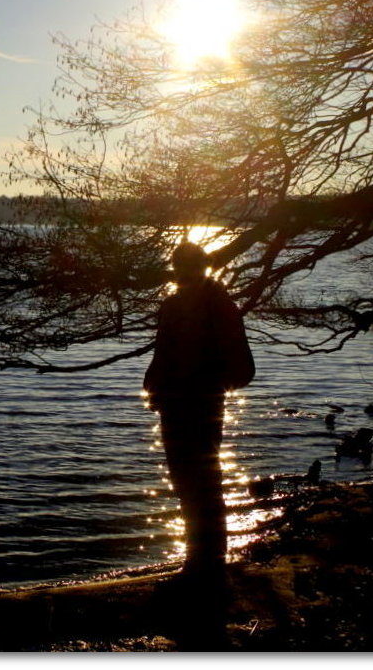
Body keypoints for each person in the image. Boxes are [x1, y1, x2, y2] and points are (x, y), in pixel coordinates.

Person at [144, 242, 254, 603]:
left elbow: (242, 369)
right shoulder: (175, 304)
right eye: (178, 265)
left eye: (187, 265)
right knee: (187, 483)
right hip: (174, 406)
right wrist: (156, 386)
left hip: (199, 407)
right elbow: (163, 352)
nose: (180, 271)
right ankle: (198, 564)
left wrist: (205, 385)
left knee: (202, 484)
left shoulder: (219, 306)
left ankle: (208, 567)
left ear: (202, 267)